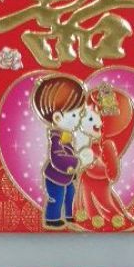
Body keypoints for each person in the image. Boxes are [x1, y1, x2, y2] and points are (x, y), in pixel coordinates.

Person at [72, 84, 134, 231]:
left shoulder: (106, 145)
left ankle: (112, 217)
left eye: (90, 119)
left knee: (104, 200)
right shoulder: (87, 143)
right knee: (86, 198)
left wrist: (109, 171)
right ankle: (89, 215)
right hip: (87, 177)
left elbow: (111, 165)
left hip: (100, 178)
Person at [32, 74, 91, 230]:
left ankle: (70, 214)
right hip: (55, 177)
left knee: (71, 194)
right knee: (56, 197)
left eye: (79, 114)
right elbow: (57, 157)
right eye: (75, 115)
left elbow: (69, 152)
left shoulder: (66, 136)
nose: (79, 119)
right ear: (57, 118)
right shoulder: (56, 138)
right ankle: (52, 218)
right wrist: (76, 163)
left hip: (67, 176)